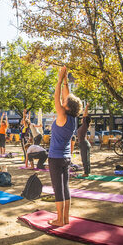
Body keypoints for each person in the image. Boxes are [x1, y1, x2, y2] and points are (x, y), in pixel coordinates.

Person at [48, 66, 82, 227]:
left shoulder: (62, 114)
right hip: (66, 157)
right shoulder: (73, 118)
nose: (63, 99)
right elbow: (66, 95)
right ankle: (66, 218)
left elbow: (56, 96)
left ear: (67, 106)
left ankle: (59, 219)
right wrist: (66, 81)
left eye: (65, 101)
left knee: (58, 189)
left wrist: (59, 80)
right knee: (65, 187)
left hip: (55, 158)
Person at [77, 103, 92, 176]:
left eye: (83, 119)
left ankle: (86, 173)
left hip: (84, 143)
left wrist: (86, 107)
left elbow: (85, 115)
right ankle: (87, 172)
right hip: (83, 143)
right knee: (86, 158)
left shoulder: (85, 125)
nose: (82, 119)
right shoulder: (83, 126)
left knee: (85, 159)